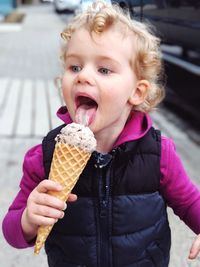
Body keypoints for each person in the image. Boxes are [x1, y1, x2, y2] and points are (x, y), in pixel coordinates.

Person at [2, 1, 200, 266]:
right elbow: (11, 231)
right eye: (74, 67)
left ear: (136, 92)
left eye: (104, 69)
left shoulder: (159, 154)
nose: (83, 76)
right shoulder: (45, 157)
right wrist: (28, 219)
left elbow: (190, 203)